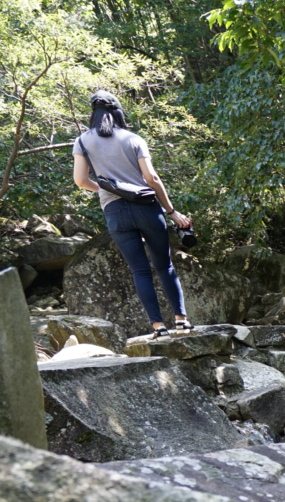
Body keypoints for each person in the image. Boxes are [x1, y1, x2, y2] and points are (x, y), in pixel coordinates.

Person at [71, 90, 193, 335]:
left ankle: (158, 326)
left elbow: (80, 181)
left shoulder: (82, 141)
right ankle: (181, 320)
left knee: (139, 270)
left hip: (115, 212)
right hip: (146, 208)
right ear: (117, 111)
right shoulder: (133, 138)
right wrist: (171, 212)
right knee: (164, 266)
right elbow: (151, 177)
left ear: (93, 114)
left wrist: (106, 190)